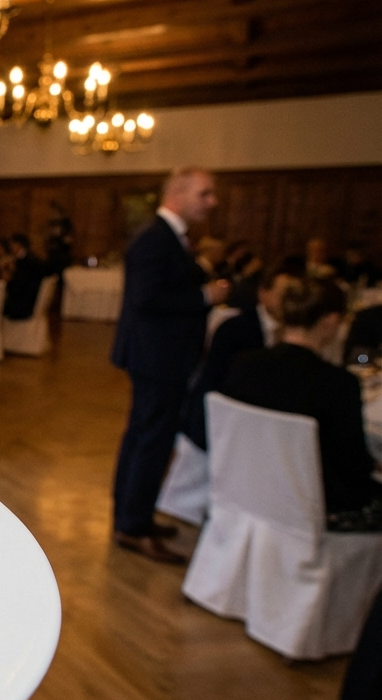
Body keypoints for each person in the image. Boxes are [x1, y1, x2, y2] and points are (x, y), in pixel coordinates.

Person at [110, 166, 230, 564]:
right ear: (178, 193)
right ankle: (132, 524)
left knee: (144, 436)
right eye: (204, 194)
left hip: (159, 356)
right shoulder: (155, 238)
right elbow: (146, 299)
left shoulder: (170, 238)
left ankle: (132, 515)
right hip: (157, 357)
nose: (211, 202)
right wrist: (203, 298)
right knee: (151, 440)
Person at [221, 278, 382, 531]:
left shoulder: (244, 363)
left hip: (248, 489)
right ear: (330, 321)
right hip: (315, 506)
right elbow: (353, 468)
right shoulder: (338, 384)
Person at [181, 266, 295, 451]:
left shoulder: (295, 330)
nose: (289, 302)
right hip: (218, 424)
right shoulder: (236, 328)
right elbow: (221, 380)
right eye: (283, 294)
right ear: (263, 293)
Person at [3, 234, 46, 321]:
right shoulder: (31, 258)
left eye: (12, 244)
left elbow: (20, 285)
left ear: (18, 245)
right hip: (29, 300)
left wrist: (9, 278)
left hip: (23, 305)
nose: (10, 247)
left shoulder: (29, 262)